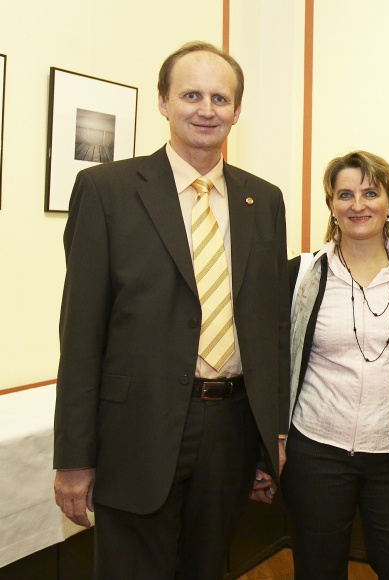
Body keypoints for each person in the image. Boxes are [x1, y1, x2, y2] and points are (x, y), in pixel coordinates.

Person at [52, 41, 289, 579]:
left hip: (229, 427)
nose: (206, 109)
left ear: (236, 110)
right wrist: (73, 457)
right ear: (163, 102)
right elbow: (81, 332)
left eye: (220, 98)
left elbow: (272, 326)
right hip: (135, 428)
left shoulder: (264, 201)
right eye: (191, 95)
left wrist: (269, 438)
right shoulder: (106, 191)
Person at [281, 150, 389, 580]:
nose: (358, 205)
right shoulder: (302, 275)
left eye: (370, 193)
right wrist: (271, 444)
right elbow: (273, 363)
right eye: (345, 194)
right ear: (332, 205)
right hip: (316, 451)